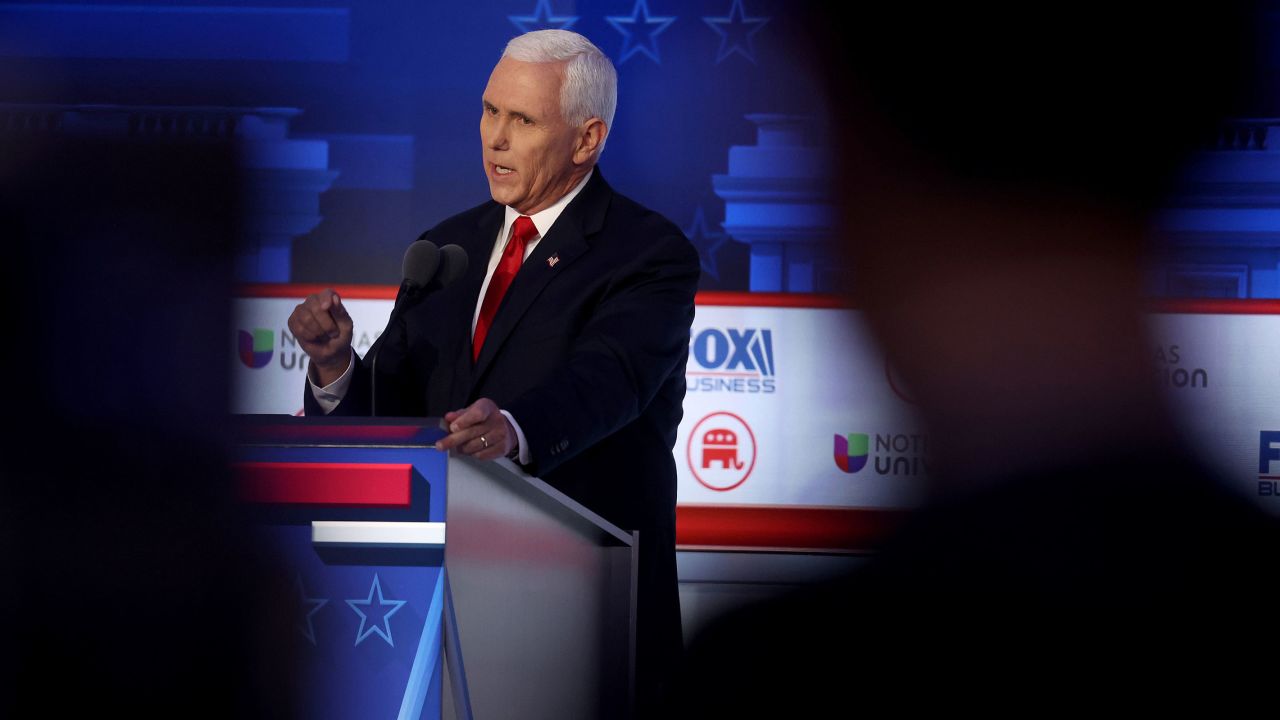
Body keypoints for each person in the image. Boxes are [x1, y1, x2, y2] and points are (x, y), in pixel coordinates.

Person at [287, 29, 699, 713]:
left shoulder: (648, 254)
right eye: (489, 110)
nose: (494, 138)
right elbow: (392, 408)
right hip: (430, 617)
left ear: (587, 139)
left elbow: (610, 379)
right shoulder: (449, 245)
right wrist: (335, 366)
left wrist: (514, 429)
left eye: (523, 119)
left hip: (582, 614)